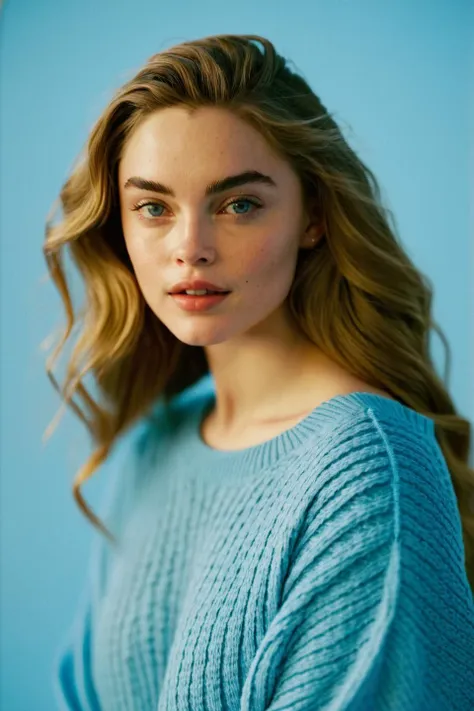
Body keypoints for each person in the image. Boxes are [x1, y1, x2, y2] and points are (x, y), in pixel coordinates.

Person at [44, 33, 474, 711]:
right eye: (153, 207)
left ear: (313, 217)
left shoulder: (365, 463)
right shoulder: (159, 444)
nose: (191, 249)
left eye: (238, 203)